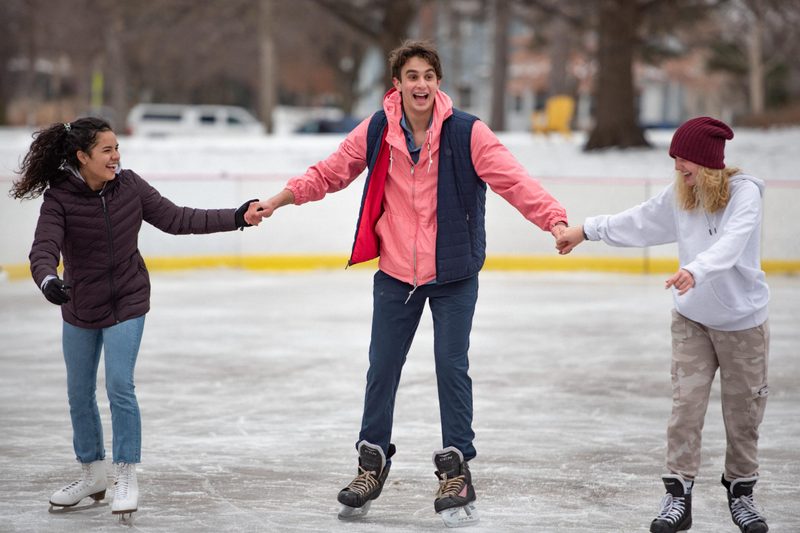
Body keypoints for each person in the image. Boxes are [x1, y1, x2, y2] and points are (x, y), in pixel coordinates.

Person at [245, 40, 568, 525]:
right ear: (396, 84)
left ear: (438, 83)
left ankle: (456, 468)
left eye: (428, 76)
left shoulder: (467, 133)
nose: (420, 84)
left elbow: (514, 180)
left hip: (453, 274)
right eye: (411, 76)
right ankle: (371, 464)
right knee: (382, 368)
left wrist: (555, 221)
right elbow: (331, 171)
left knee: (450, 366)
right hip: (396, 272)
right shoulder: (379, 129)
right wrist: (279, 199)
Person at [10, 117, 259, 521]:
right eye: (107, 150)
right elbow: (44, 247)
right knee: (78, 392)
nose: (116, 157)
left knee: (120, 385)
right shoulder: (60, 198)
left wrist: (236, 216)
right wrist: (46, 279)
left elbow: (178, 220)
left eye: (117, 149)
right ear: (82, 157)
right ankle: (93, 473)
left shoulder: (130, 186)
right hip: (79, 304)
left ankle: (125, 472)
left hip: (127, 298)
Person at [557, 117, 770, 533]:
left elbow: (732, 241)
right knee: (685, 409)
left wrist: (697, 269)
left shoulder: (745, 195)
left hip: (743, 324)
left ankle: (742, 494)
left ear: (707, 163)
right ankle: (678, 495)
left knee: (743, 415)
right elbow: (638, 220)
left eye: (683, 160)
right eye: (674, 160)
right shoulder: (682, 195)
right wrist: (586, 230)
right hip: (692, 319)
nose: (677, 169)